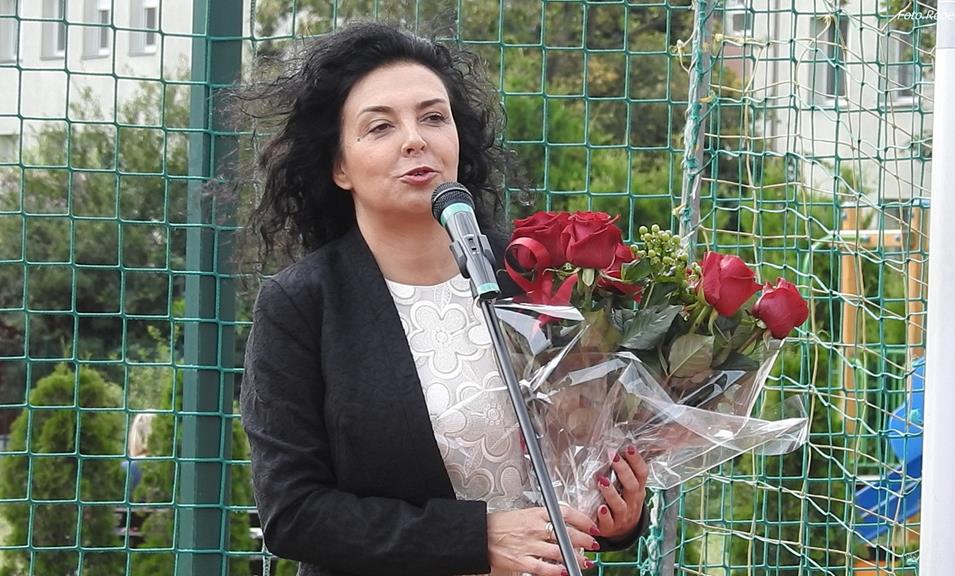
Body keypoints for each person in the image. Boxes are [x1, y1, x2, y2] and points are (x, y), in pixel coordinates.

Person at [237, 22, 649, 576]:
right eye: (380, 126)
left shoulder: (533, 270)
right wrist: (474, 539)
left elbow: (586, 441)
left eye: (434, 117)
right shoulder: (301, 304)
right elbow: (293, 513)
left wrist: (617, 513)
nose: (415, 139)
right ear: (339, 167)